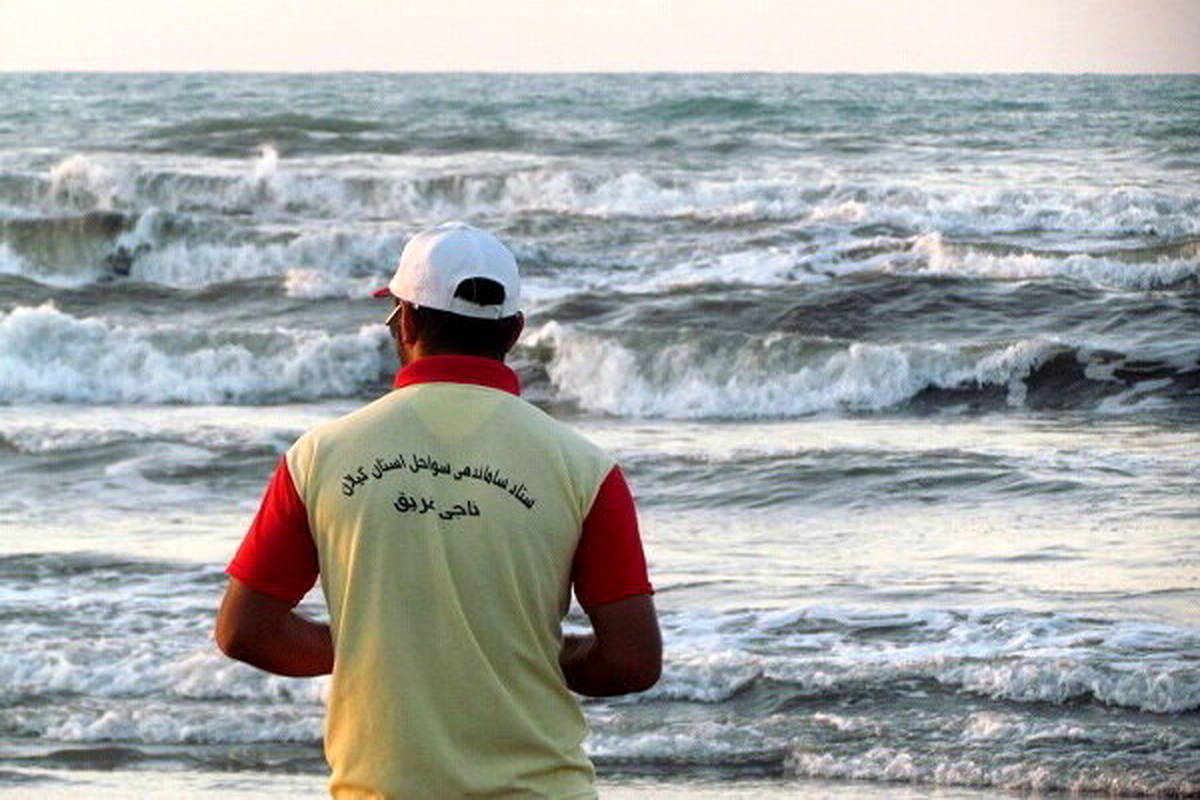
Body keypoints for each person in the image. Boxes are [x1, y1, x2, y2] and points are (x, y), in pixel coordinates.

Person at [215, 221, 661, 799]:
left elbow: (245, 631)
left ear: (406, 321)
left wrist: (380, 646)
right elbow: (631, 662)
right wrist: (546, 652)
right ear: (515, 331)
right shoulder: (584, 468)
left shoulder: (319, 457)